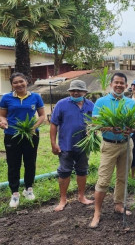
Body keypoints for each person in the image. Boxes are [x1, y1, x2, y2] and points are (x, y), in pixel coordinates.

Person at [90, 72, 135, 228]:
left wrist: (131, 130)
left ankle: (118, 205)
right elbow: (95, 124)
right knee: (103, 180)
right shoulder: (101, 102)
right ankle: (97, 212)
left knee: (123, 177)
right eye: (116, 82)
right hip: (109, 145)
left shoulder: (131, 103)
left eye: (122, 83)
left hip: (126, 144)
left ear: (126, 85)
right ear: (111, 84)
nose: (119, 85)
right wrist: (111, 128)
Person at [0, 72, 45, 208]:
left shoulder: (36, 97)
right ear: (12, 85)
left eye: (21, 81)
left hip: (31, 135)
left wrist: (34, 127)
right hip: (12, 135)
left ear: (27, 81)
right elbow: (2, 116)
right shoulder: (6, 98)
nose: (19, 84)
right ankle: (15, 193)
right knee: (13, 163)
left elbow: (42, 115)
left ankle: (28, 189)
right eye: (15, 82)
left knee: (30, 162)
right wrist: (2, 122)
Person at [50, 80, 94, 212]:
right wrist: (53, 143)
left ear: (85, 92)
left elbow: (96, 123)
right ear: (69, 91)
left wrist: (93, 131)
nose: (76, 92)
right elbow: (53, 124)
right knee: (64, 172)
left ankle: (81, 196)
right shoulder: (61, 104)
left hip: (84, 145)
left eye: (79, 90)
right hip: (65, 145)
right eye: (73, 90)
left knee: (82, 170)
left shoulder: (91, 105)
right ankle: (63, 199)